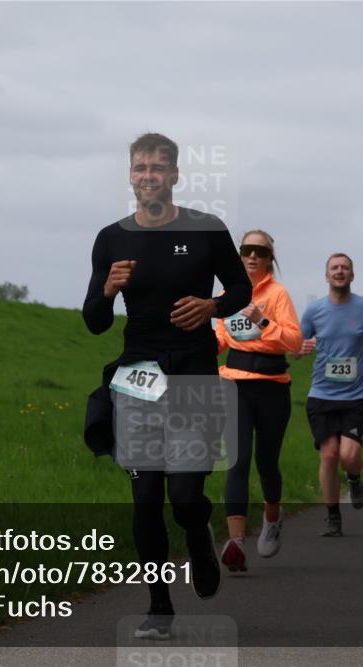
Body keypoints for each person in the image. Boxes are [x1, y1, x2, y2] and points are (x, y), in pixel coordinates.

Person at [82, 133, 251, 639]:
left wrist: (212, 306)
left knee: (183, 494)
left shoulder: (206, 228)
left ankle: (198, 533)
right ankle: (159, 607)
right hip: (138, 372)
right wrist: (107, 290)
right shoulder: (111, 238)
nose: (149, 175)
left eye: (158, 167)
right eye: (141, 167)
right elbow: (94, 321)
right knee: (146, 496)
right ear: (130, 175)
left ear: (175, 174)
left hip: (193, 369)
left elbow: (240, 288)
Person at [215, 230, 302, 572]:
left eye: (260, 251)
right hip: (234, 384)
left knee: (266, 462)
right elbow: (221, 339)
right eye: (247, 250)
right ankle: (236, 543)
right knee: (237, 460)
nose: (253, 256)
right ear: (239, 255)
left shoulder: (278, 294)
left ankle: (273, 517)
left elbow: (294, 342)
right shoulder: (227, 296)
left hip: (272, 387)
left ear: (269, 259)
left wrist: (262, 321)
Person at [298, 253, 363, 536]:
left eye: (345, 268)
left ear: (352, 274)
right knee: (328, 456)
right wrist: (299, 348)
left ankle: (354, 478)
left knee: (349, 456)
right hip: (321, 394)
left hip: (355, 396)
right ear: (327, 276)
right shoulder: (313, 310)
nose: (339, 271)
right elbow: (296, 344)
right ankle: (333, 516)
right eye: (334, 268)